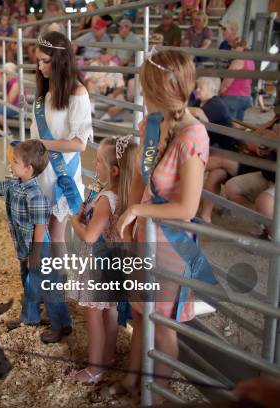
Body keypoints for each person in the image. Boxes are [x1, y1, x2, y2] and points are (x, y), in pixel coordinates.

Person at [113, 49, 212, 404]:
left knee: (164, 324)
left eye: (145, 85)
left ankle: (160, 394)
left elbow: (187, 207)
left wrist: (138, 209)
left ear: (159, 88)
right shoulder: (149, 124)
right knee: (140, 313)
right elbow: (141, 179)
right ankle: (131, 381)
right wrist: (129, 217)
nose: (141, 92)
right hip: (144, 234)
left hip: (172, 243)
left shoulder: (193, 135)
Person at [0, 140, 72, 343]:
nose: (11, 163)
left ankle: (62, 325)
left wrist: (35, 253)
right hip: (25, 247)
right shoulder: (13, 184)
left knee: (49, 287)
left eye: (15, 161)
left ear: (28, 168)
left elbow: (41, 227)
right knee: (28, 283)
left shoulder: (36, 196)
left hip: (39, 248)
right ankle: (30, 318)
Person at [31, 30, 92, 343]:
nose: (40, 67)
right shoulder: (43, 93)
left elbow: (79, 143)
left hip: (63, 176)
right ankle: (54, 303)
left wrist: (42, 143)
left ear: (59, 61)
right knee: (46, 242)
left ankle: (61, 310)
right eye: (38, 61)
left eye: (45, 61)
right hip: (41, 175)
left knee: (55, 241)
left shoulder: (78, 93)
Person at [66, 136, 137, 385]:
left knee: (93, 314)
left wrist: (75, 221)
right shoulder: (126, 193)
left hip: (97, 263)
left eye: (98, 162)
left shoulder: (106, 198)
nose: (94, 165)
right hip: (115, 262)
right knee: (110, 310)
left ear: (114, 170)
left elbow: (89, 235)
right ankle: (107, 357)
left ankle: (94, 369)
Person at [189, 77, 238, 223]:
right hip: (216, 151)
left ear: (213, 90)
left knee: (191, 168)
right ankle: (204, 216)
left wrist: (179, 109)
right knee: (215, 174)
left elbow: (195, 115)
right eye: (197, 87)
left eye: (201, 88)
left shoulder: (215, 104)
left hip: (230, 152)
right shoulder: (199, 102)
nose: (197, 90)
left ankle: (189, 207)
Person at [220, 38, 254, 121]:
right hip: (245, 96)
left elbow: (227, 82)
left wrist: (218, 93)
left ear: (241, 47)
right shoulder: (250, 61)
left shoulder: (238, 60)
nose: (231, 49)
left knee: (228, 125)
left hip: (233, 97)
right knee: (238, 125)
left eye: (234, 47)